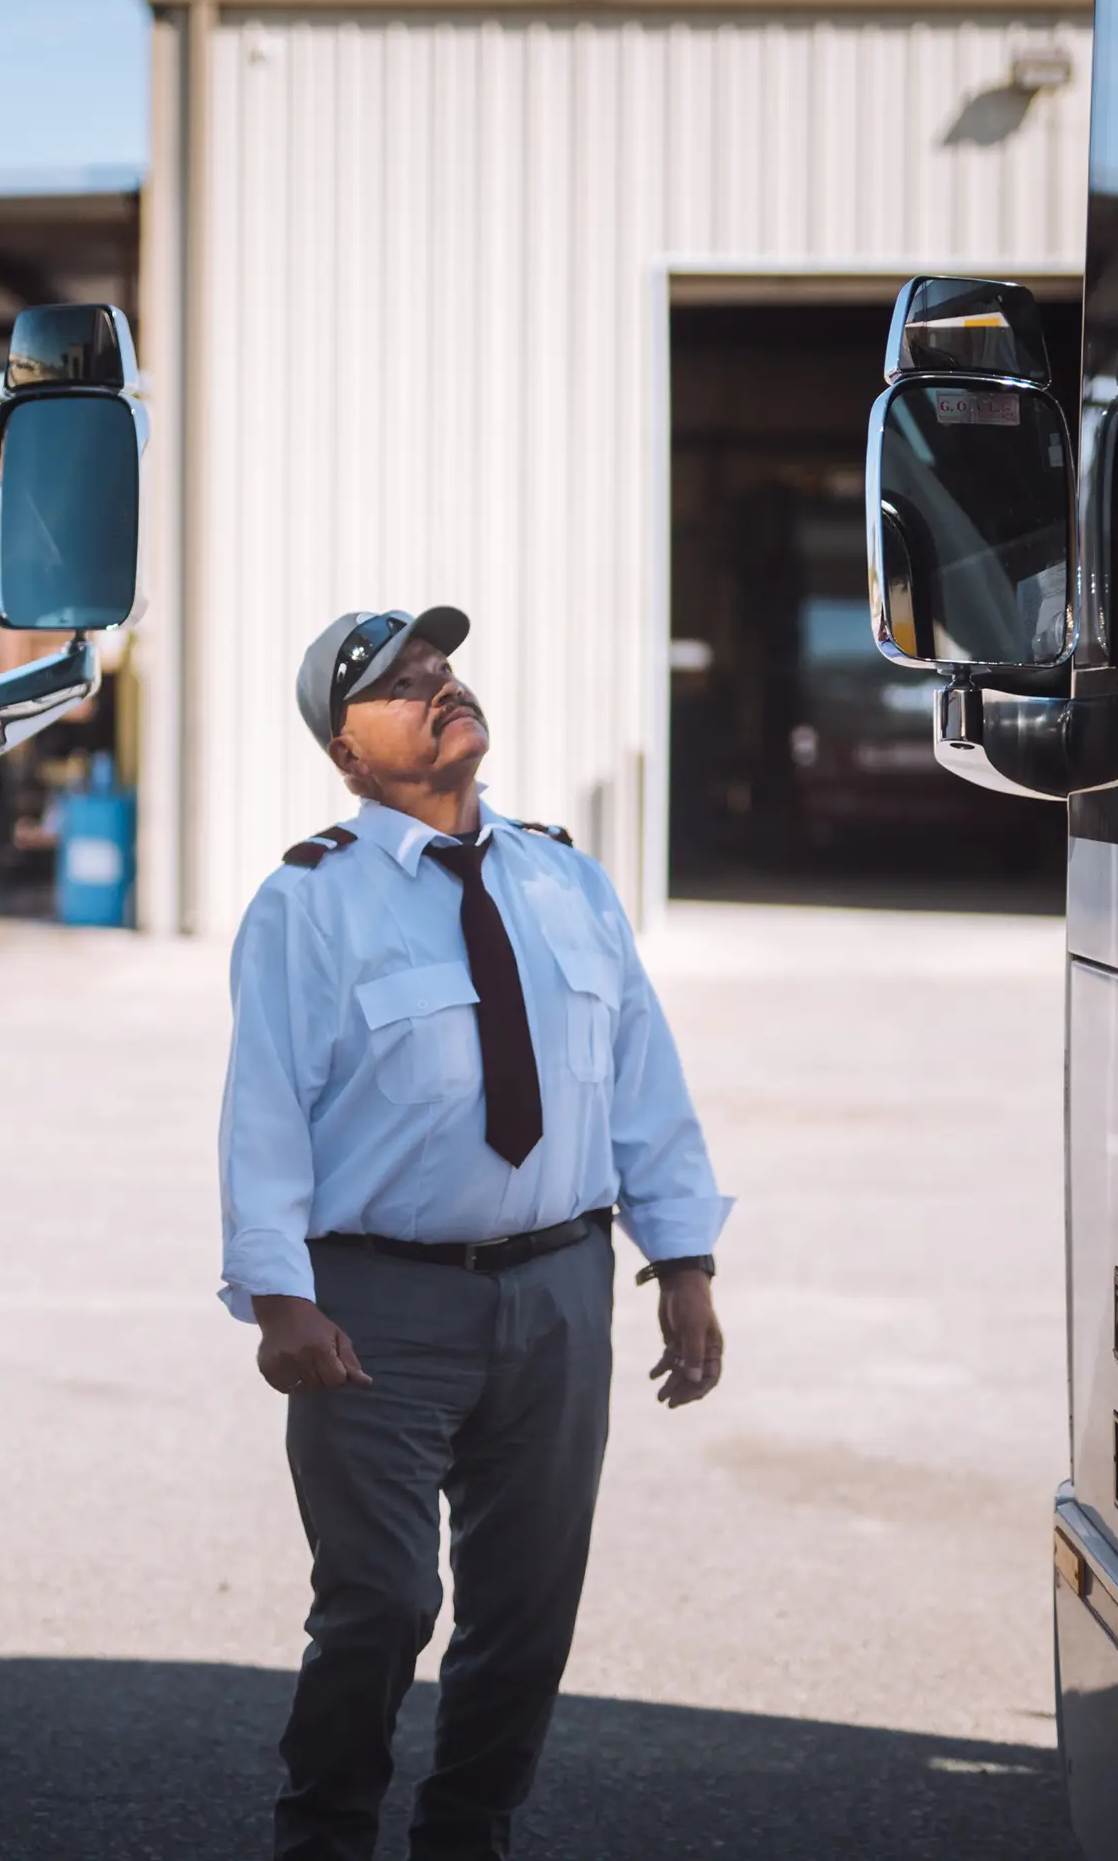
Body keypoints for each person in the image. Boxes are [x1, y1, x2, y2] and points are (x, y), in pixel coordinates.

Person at [218, 606, 733, 1861]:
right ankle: (324, 1836)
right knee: (380, 1604)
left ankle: (468, 1838)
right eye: (401, 684)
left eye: (442, 669)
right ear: (346, 753)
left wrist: (684, 1260)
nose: (440, 687)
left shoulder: (566, 879)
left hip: (560, 1291)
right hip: (377, 1308)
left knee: (526, 1615)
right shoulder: (310, 905)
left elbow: (643, 1077)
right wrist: (278, 1295)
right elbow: (265, 1111)